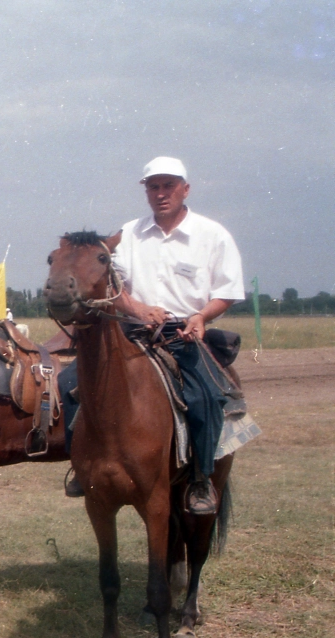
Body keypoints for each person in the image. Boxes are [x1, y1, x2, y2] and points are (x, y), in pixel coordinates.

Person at [62, 157, 245, 513]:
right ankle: (82, 470)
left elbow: (228, 291)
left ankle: (201, 479)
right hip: (131, 331)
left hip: (184, 332)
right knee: (70, 385)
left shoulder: (212, 235)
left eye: (168, 186)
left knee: (205, 396)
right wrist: (136, 310)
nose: (161, 193)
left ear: (185, 189)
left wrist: (202, 316)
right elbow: (114, 285)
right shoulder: (129, 234)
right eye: (153, 186)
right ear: (146, 190)